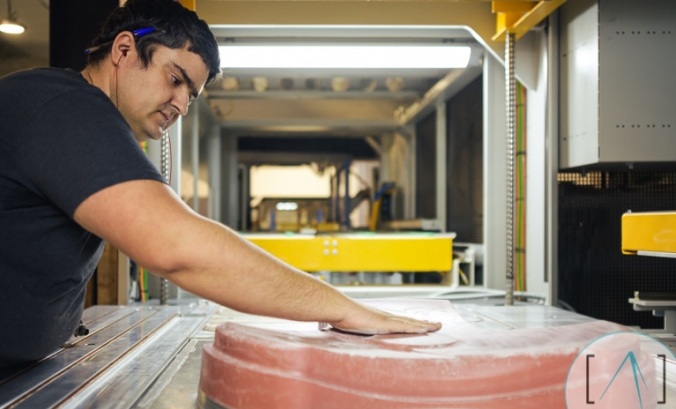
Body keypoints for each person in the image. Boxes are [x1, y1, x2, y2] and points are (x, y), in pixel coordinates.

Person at [0, 0, 440, 368]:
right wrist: (345, 308)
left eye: (191, 95)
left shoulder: (78, 113)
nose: (181, 105)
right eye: (175, 79)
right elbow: (174, 247)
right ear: (123, 51)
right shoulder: (66, 108)